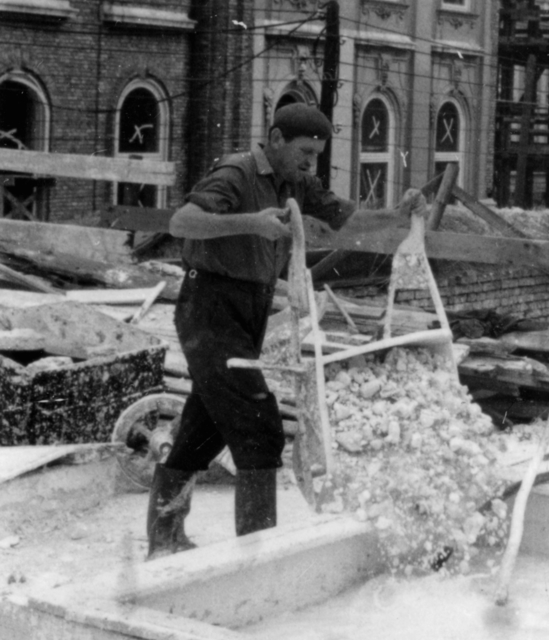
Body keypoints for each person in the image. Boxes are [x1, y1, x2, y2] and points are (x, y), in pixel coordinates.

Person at [147, 103, 420, 557]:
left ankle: (164, 538)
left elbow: (345, 218)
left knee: (207, 427)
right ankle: (259, 555)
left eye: (316, 154)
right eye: (303, 151)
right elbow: (182, 222)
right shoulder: (236, 173)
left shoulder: (295, 180)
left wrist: (397, 214)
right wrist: (250, 223)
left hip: (248, 310)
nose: (310, 162)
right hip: (210, 308)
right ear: (274, 139)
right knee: (259, 426)